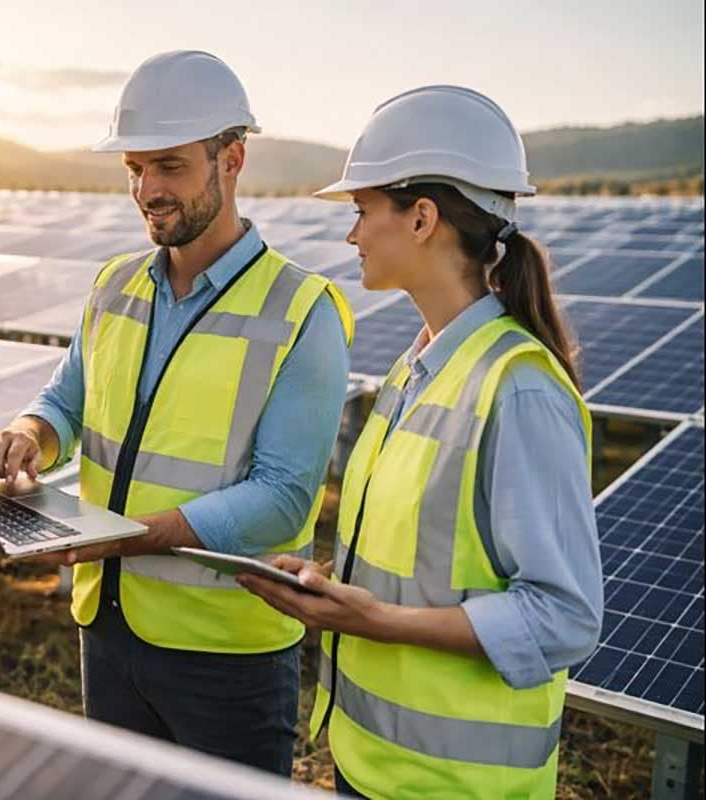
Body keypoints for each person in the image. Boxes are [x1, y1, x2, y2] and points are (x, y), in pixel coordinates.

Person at [0, 50, 354, 775]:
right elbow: (64, 402)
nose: (147, 189)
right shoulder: (115, 284)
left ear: (232, 159)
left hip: (225, 656)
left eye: (170, 167)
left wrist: (126, 539)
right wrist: (29, 436)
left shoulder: (302, 311)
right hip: (107, 628)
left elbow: (283, 498)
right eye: (134, 170)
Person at [237, 85, 603, 798]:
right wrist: (334, 589)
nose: (351, 235)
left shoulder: (519, 390)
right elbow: (426, 558)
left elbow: (565, 617)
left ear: (423, 217)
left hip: (457, 784)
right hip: (373, 765)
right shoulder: (419, 367)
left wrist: (378, 619)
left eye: (362, 212)